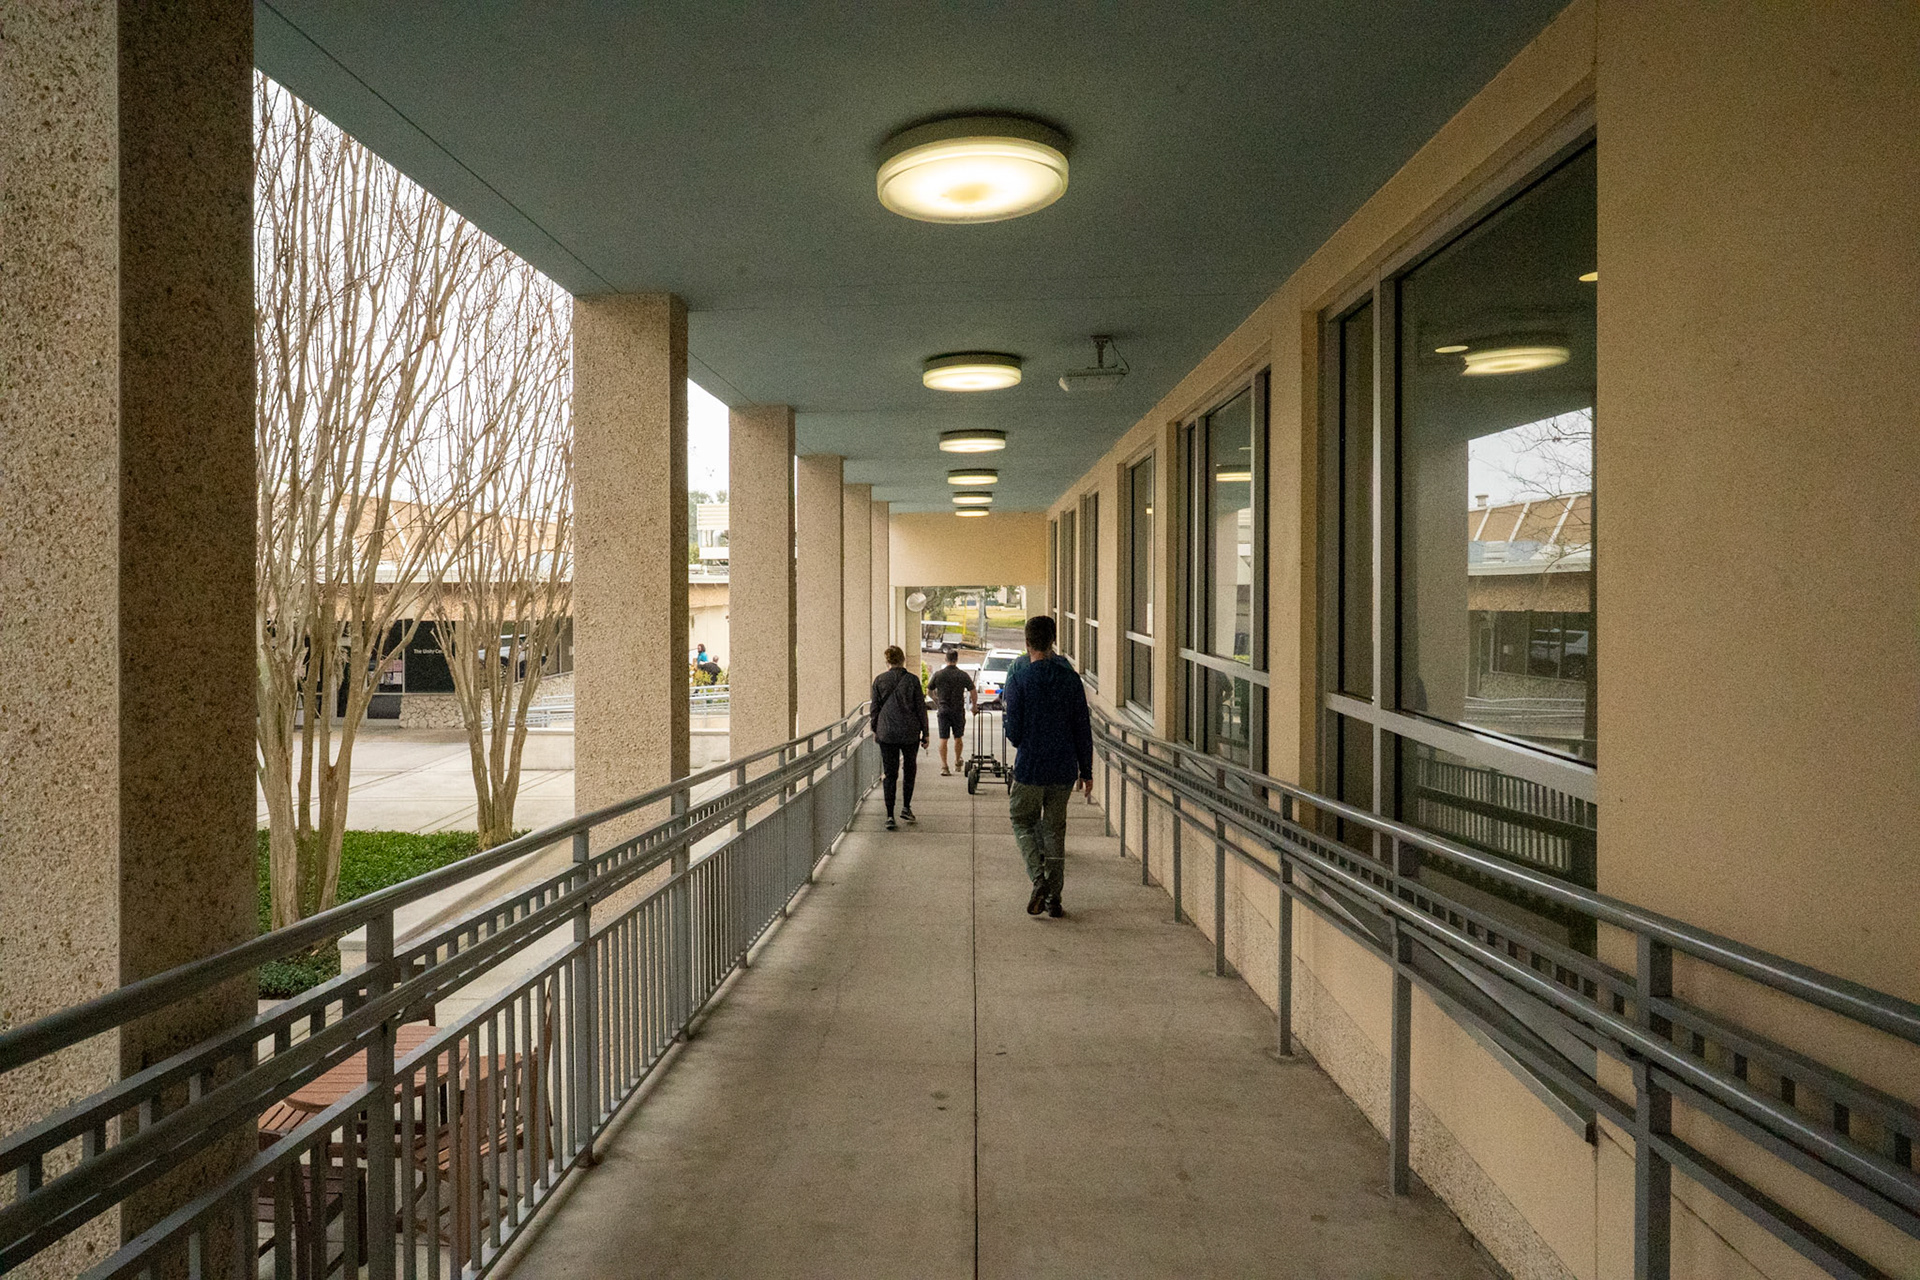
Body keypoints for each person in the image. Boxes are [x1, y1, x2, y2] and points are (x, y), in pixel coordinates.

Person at [1001, 615, 1092, 918]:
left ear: (1027, 642)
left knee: (1022, 820)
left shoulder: (1020, 678)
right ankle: (1054, 899)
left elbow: (1014, 732)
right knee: (1054, 830)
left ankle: (1038, 879)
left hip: (1030, 766)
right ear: (1053, 641)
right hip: (1063, 768)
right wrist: (1087, 771)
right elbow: (1082, 727)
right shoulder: (1071, 679)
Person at [869, 644, 928, 831]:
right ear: (903, 660)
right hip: (910, 733)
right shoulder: (912, 680)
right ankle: (906, 807)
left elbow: (874, 710)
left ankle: (889, 815)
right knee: (909, 769)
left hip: (887, 733)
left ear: (887, 661)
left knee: (890, 774)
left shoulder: (879, 680)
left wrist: (875, 730)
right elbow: (920, 708)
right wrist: (925, 733)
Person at [926, 647, 977, 776]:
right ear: (956, 659)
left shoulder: (938, 674)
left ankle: (944, 766)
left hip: (943, 710)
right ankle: (957, 761)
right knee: (958, 737)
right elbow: (973, 691)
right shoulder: (962, 675)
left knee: (943, 738)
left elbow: (929, 690)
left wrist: (937, 701)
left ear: (946, 659)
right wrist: (974, 706)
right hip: (958, 710)